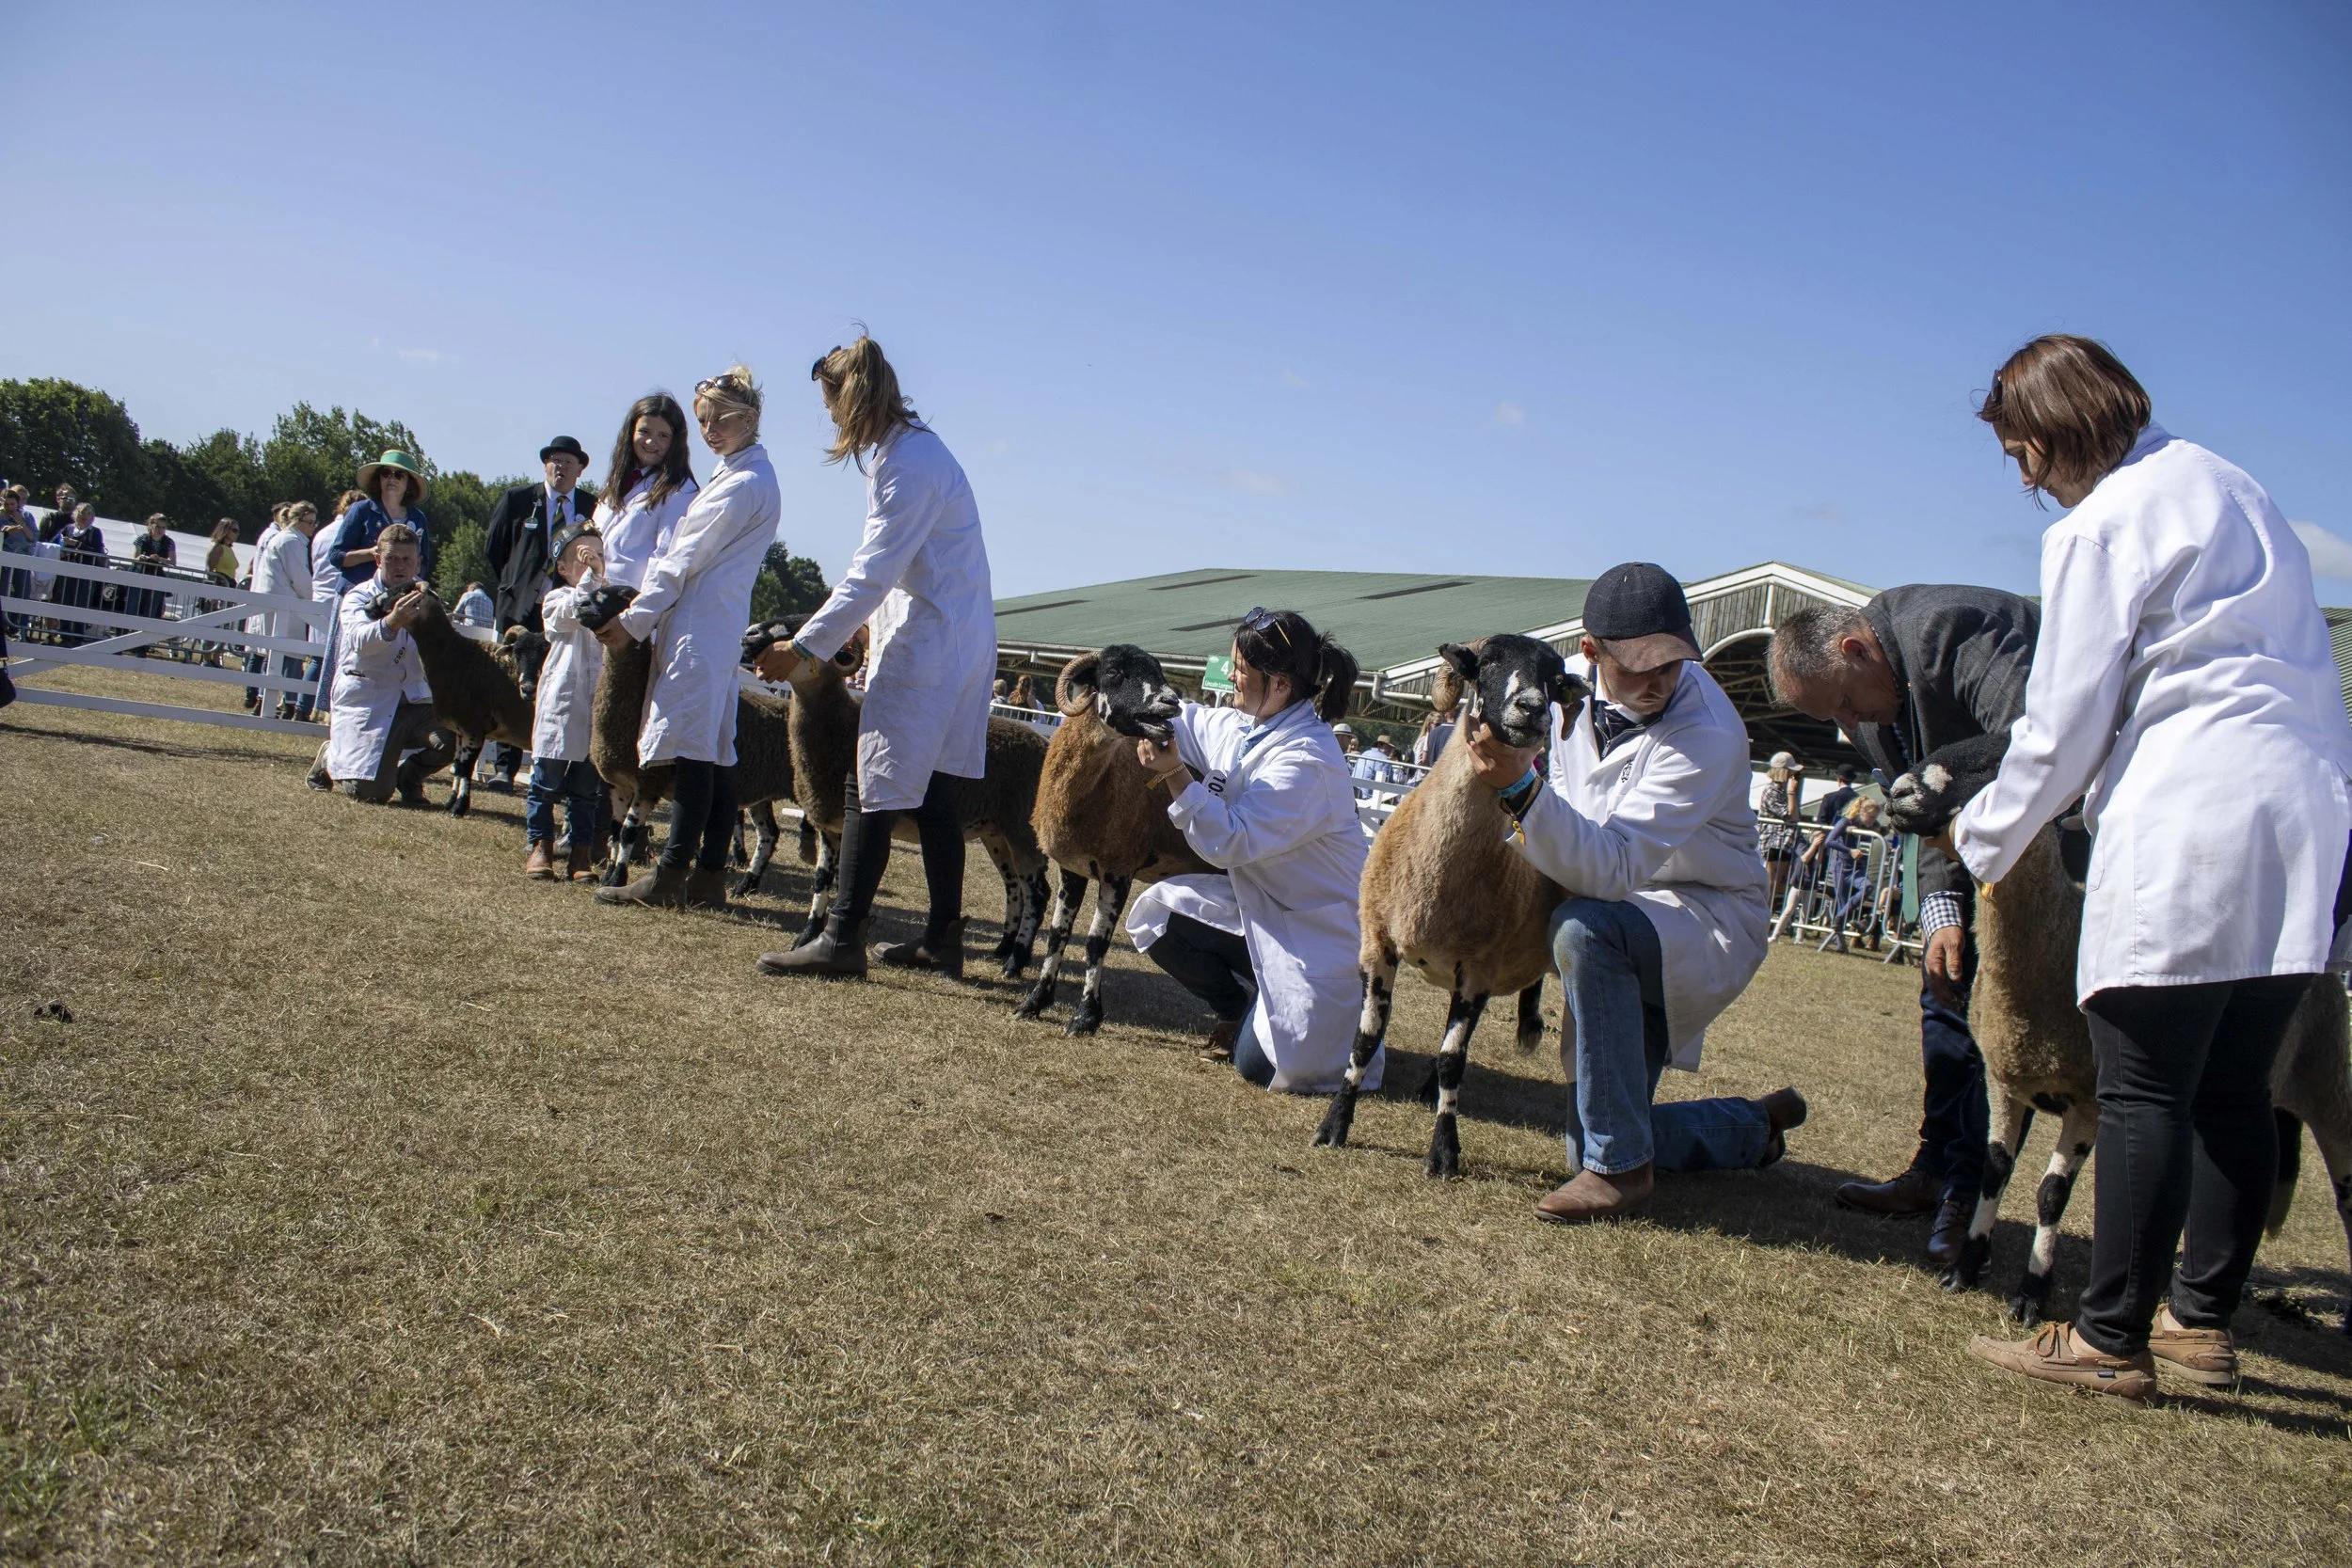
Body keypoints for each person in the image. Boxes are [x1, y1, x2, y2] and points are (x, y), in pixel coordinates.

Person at [1947, 335, 2352, 1402]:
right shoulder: (2235, 486)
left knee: (2140, 1085)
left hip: (2194, 807)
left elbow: (2064, 715)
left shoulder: (2103, 522)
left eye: (2023, 452)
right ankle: (2200, 1325)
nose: (2025, 479)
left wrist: (1986, 836)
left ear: (2056, 430)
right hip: (2307, 807)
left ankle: (2108, 1333)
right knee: (2234, 1087)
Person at [1466, 562, 1804, 1223]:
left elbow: (1614, 864)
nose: (1659, 681)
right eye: (1640, 666)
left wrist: (1518, 788)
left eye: (1672, 663)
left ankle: (1622, 1174)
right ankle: (1748, 1125)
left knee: (1584, 927)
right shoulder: (1553, 686)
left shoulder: (1708, 731)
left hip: (1695, 914)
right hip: (1620, 901)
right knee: (1579, 1142)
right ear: (1590, 653)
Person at [1768, 581, 2038, 1267]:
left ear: (1855, 648)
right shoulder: (1867, 707)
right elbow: (1926, 810)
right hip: (1980, 859)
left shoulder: (1950, 632)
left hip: (2059, 857)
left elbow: (2034, 742)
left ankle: (1969, 1188)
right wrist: (1945, 911)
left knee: (2004, 1027)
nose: (1850, 722)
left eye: (1845, 702)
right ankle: (1936, 1166)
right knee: (1943, 988)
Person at [752, 339, 996, 977]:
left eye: (830, 403)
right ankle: (943, 935)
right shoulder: (914, 452)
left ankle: (841, 936)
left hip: (932, 642)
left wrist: (803, 646)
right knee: (936, 791)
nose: (830, 418)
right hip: (954, 636)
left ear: (852, 397)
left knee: (871, 780)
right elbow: (894, 570)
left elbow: (872, 573)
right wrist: (860, 629)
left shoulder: (906, 463)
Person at [1125, 608, 1375, 1091]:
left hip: (1320, 939)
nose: (1233, 678)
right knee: (1156, 917)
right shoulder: (1251, 724)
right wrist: (1133, 694)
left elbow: (1230, 841)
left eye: (1241, 670)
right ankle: (1245, 1006)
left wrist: (1176, 774)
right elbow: (1188, 719)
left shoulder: (1308, 760)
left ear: (1279, 684)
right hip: (1264, 914)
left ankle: (1328, 1023)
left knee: (1258, 1067)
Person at [593, 367, 780, 911]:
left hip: (702, 627)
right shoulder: (737, 476)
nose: (710, 429)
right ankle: (708, 875)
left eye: (721, 418)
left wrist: (633, 621)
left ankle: (673, 872)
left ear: (750, 418)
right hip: (706, 624)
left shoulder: (742, 484)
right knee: (714, 754)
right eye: (702, 420)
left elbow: (680, 560)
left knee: (696, 753)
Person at [483, 435, 596, 788]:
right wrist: (518, 583)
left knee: (562, 685)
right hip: (521, 609)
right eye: (555, 460)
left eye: (568, 461)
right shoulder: (518, 500)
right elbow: (494, 549)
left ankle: (554, 770)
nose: (560, 467)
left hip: (567, 612)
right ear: (545, 465)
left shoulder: (592, 506)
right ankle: (505, 765)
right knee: (512, 683)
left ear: (580, 469)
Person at [310, 458, 430, 784]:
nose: (392, 479)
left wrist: (414, 586)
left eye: (399, 475)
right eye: (386, 474)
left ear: (408, 483)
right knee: (348, 662)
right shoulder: (361, 511)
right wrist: (376, 556)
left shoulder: (417, 518)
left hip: (404, 599)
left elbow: (426, 561)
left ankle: (398, 763)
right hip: (365, 600)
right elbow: (337, 556)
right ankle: (339, 744)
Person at [314, 523, 453, 803]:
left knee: (457, 732)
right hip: (369, 702)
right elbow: (357, 640)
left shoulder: (427, 600)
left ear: (418, 561)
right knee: (371, 794)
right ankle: (331, 755)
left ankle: (409, 778)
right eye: (392, 558)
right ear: (378, 559)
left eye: (407, 559)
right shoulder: (358, 597)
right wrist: (392, 622)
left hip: (411, 702)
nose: (400, 566)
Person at [526, 525, 609, 881]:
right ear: (562, 567)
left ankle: (580, 853)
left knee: (585, 791)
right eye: (582, 556)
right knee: (545, 782)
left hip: (594, 707)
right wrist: (592, 579)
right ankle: (540, 846)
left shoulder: (612, 599)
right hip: (562, 704)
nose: (592, 562)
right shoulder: (557, 599)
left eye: (599, 555)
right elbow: (576, 611)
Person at [591, 396, 698, 592]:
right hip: (592, 595)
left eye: (663, 436)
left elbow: (666, 557)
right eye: (645, 431)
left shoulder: (680, 490)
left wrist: (640, 614)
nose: (651, 441)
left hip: (631, 605)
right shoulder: (615, 483)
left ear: (676, 442)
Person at [246, 501, 319, 719]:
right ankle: (289, 703)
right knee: (289, 654)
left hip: (277, 601)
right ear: (297, 521)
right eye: (310, 523)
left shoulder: (285, 538)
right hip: (285, 602)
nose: (313, 527)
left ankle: (265, 700)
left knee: (275, 654)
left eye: (315, 523)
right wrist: (313, 600)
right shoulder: (291, 541)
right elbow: (300, 578)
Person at [50, 502, 107, 646]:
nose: (84, 517)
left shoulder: (94, 532)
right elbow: (54, 543)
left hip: (85, 572)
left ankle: (77, 635)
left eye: (88, 514)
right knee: (65, 600)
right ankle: (65, 634)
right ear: (76, 515)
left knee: (81, 602)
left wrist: (78, 545)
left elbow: (98, 552)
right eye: (82, 513)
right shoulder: (68, 529)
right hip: (67, 570)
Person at [1756, 752, 1804, 914]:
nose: (1793, 775)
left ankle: (1767, 915)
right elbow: (1791, 814)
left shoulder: (1781, 789)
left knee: (1777, 884)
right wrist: (1791, 793)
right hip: (1773, 840)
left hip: (1783, 841)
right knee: (1771, 882)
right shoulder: (1772, 790)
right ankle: (1763, 914)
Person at [2, 487, 40, 639]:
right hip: (4, 559)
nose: (10, 507)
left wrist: (21, 523)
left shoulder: (26, 515)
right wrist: (5, 531)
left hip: (22, 559)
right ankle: (3, 626)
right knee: (3, 593)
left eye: (13, 504)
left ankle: (17, 627)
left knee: (22, 593)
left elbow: (33, 537)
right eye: (7, 505)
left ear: (18, 503)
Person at [130, 513, 176, 629]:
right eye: (157, 527)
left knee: (151, 608)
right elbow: (135, 558)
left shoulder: (169, 542)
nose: (160, 530)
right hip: (140, 574)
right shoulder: (141, 539)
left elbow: (172, 561)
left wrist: (158, 558)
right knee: (133, 605)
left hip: (157, 576)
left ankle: (143, 642)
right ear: (151, 526)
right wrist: (142, 558)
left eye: (163, 527)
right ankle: (125, 633)